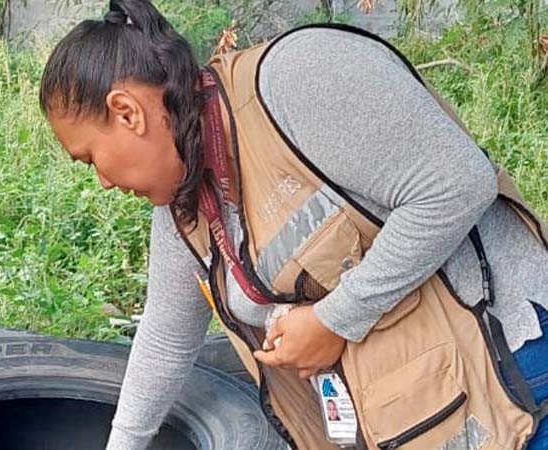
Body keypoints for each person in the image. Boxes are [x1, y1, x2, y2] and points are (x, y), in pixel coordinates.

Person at [39, 1, 548, 449]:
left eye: (89, 159)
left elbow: (457, 183)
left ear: (126, 112)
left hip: (516, 361)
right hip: (424, 406)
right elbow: (166, 340)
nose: (102, 182)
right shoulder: (183, 205)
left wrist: (333, 319)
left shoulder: (294, 79)